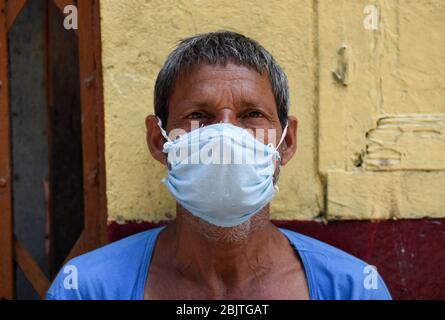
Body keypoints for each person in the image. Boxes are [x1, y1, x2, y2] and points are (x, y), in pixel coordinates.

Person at [46, 31, 391, 300]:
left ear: (286, 142)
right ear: (158, 140)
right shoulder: (87, 288)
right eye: (199, 115)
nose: (226, 136)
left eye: (252, 115)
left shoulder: (353, 288)